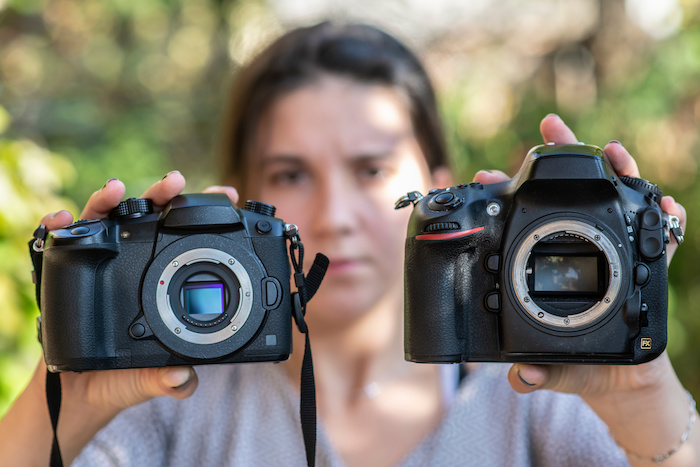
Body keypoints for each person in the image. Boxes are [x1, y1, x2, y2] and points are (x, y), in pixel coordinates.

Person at [0, 21, 696, 466]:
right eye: (291, 174)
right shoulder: (175, 400)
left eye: (371, 169)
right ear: (245, 198)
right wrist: (70, 391)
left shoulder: (533, 395)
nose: (335, 213)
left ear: (438, 192)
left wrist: (640, 393)